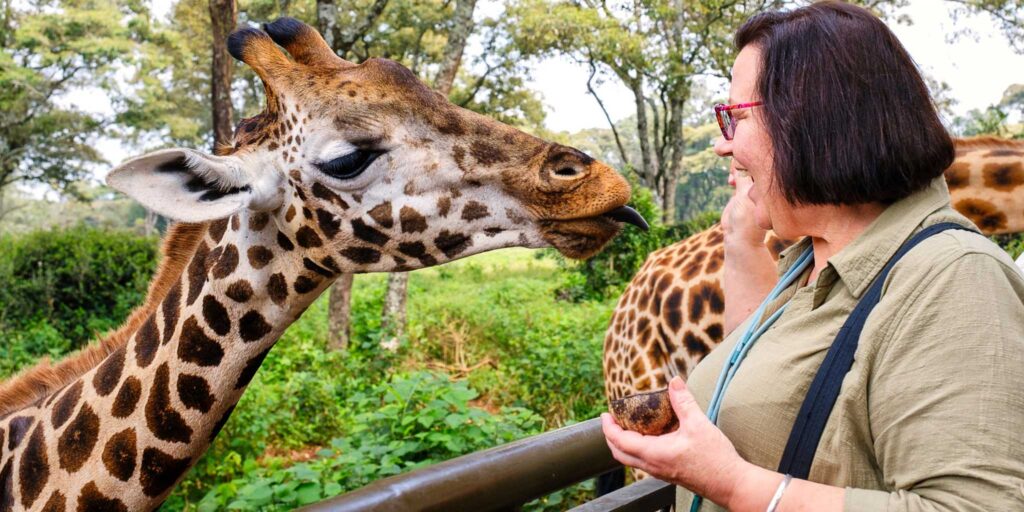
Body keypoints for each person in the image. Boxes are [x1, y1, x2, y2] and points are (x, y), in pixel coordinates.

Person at [601, 2, 1024, 511]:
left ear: (810, 121)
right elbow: (762, 367)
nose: (721, 145)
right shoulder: (812, 259)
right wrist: (741, 233)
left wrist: (730, 484)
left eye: (734, 117)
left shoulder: (953, 278)